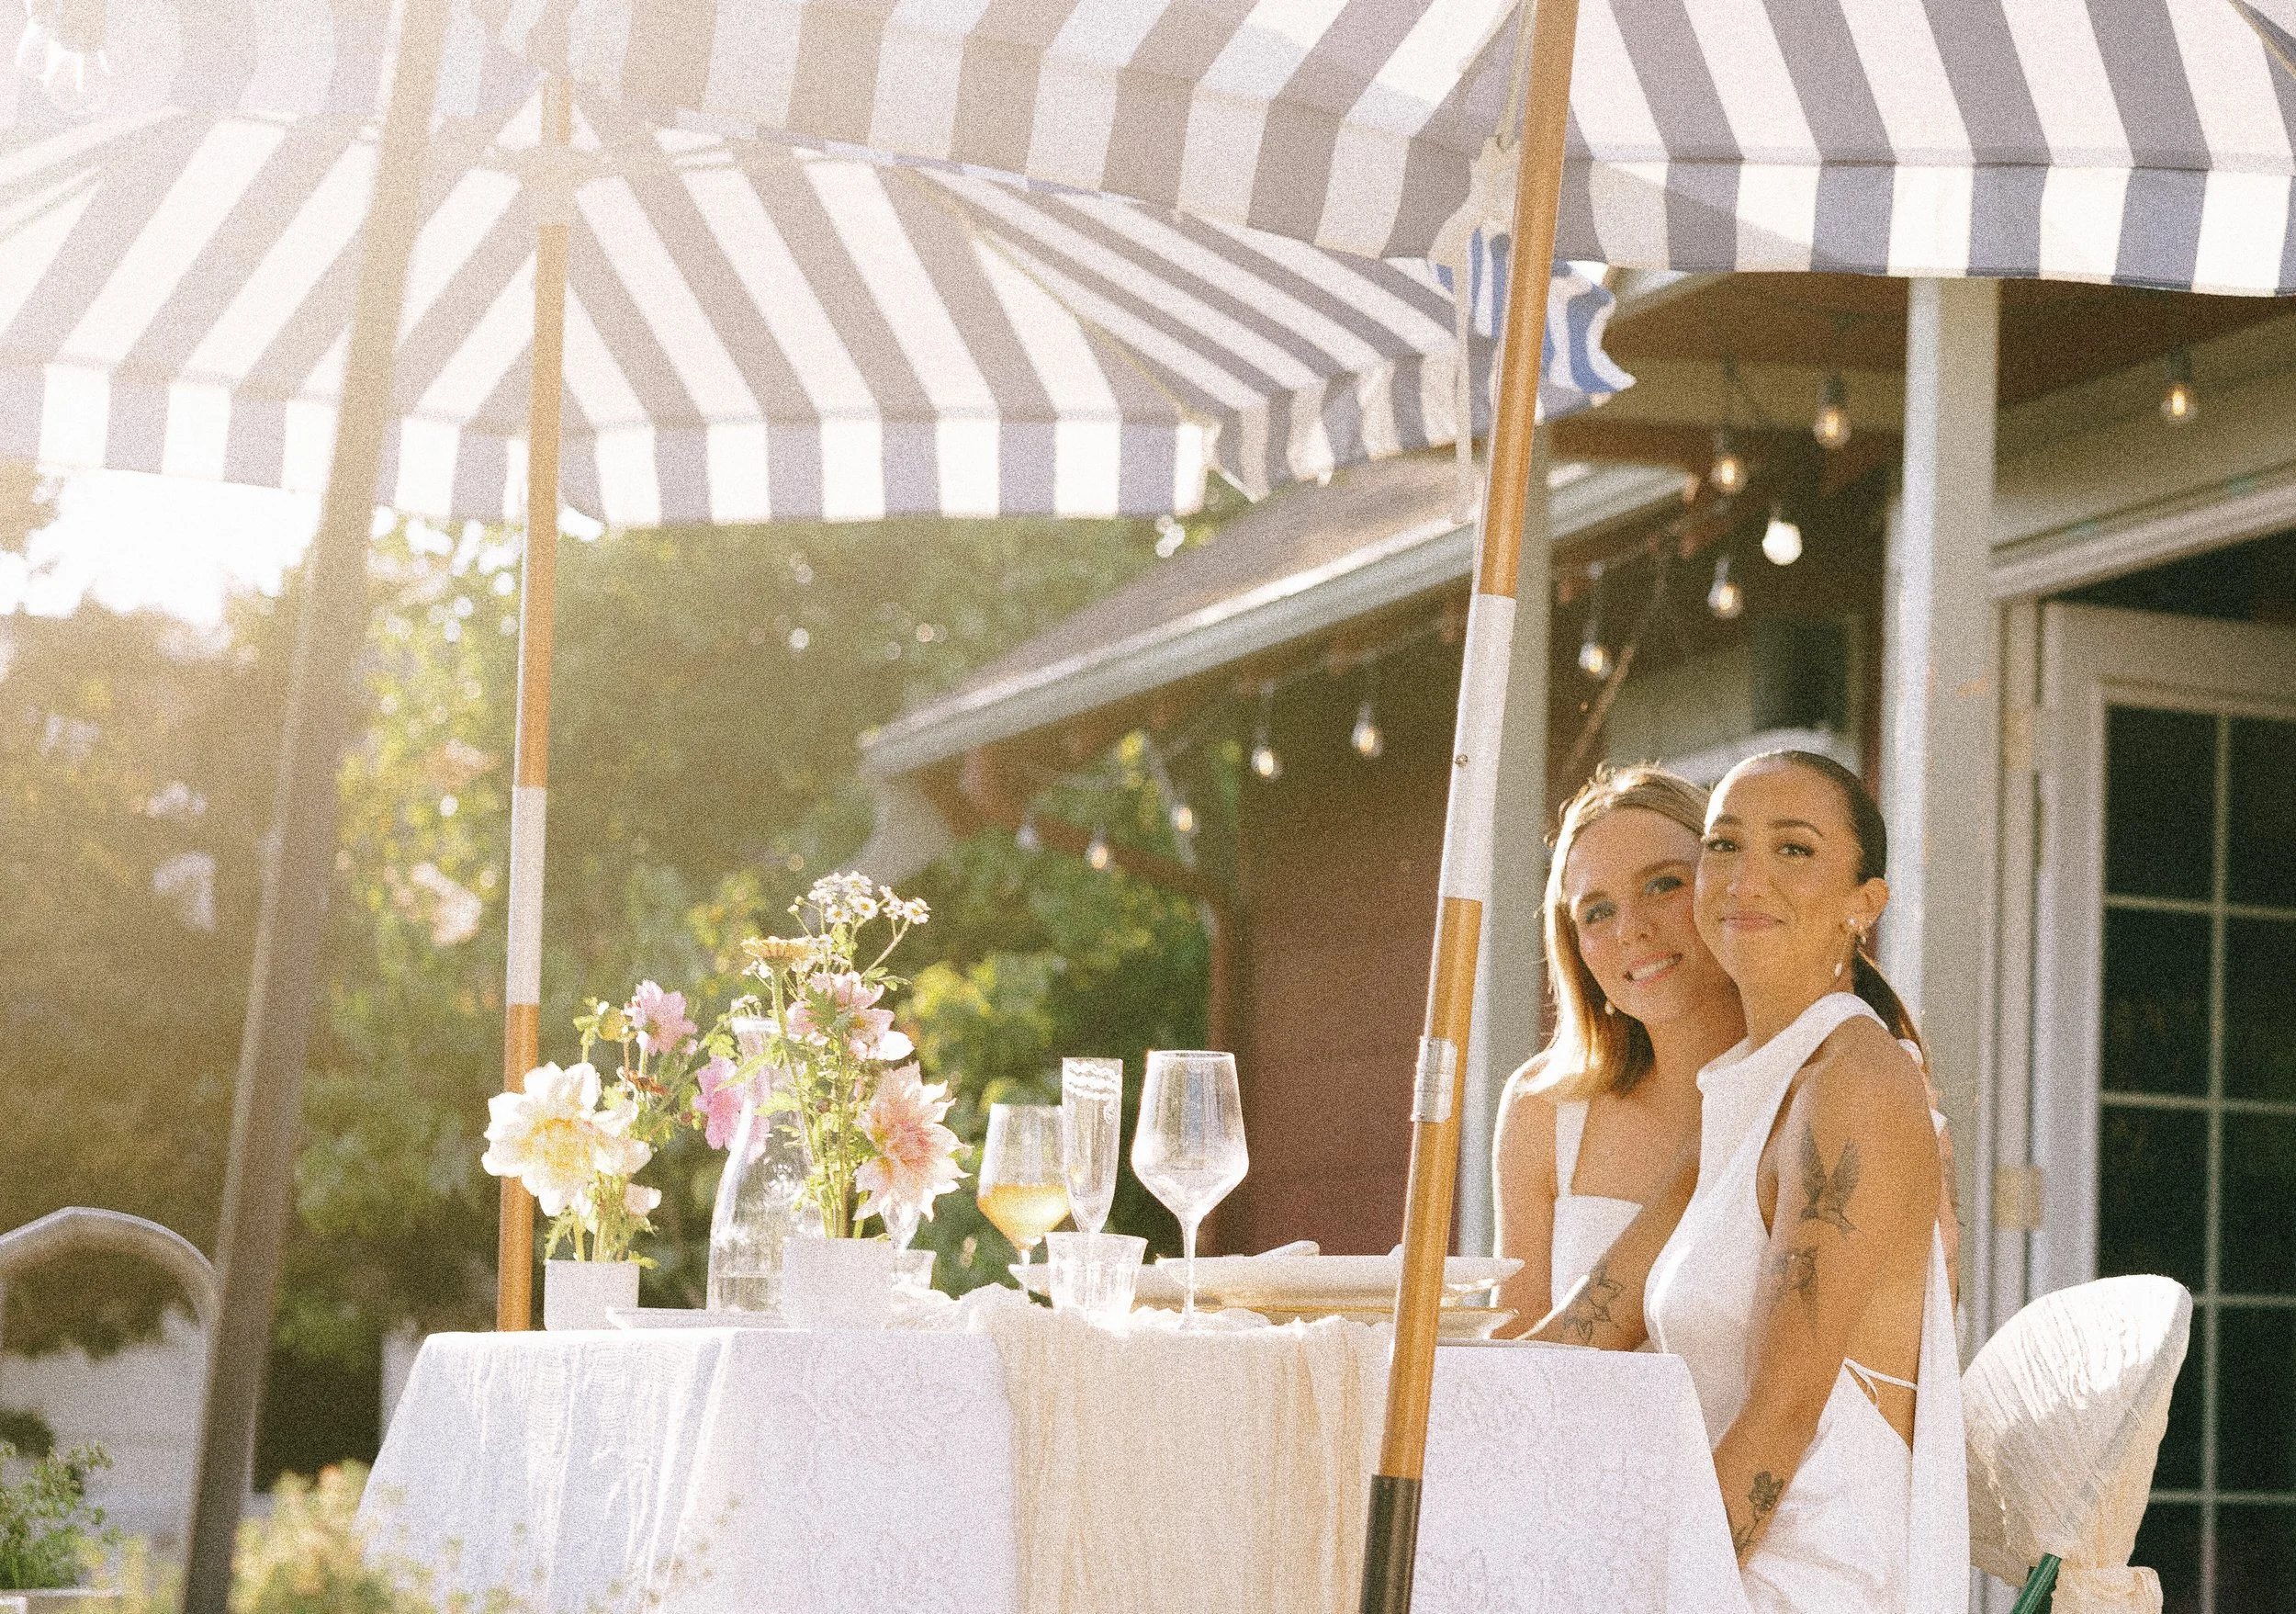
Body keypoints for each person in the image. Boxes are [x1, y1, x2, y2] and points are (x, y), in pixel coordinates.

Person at [1536, 751, 1966, 1613]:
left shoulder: (1857, 1082)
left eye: (1794, 850)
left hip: (1808, 1582)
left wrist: (1643, 1595)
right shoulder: (1746, 1088)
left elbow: (1780, 1421)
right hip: (1719, 1554)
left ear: (1864, 905)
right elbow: (1574, 1337)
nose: (1746, 878)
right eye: (1726, 846)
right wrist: (1352, 1364)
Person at [1490, 766, 1743, 1332]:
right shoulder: (1544, 1109)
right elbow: (1514, 1354)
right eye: (1598, 911)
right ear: (1575, 948)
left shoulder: (1828, 1078)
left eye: (1664, 884)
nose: (1632, 929)